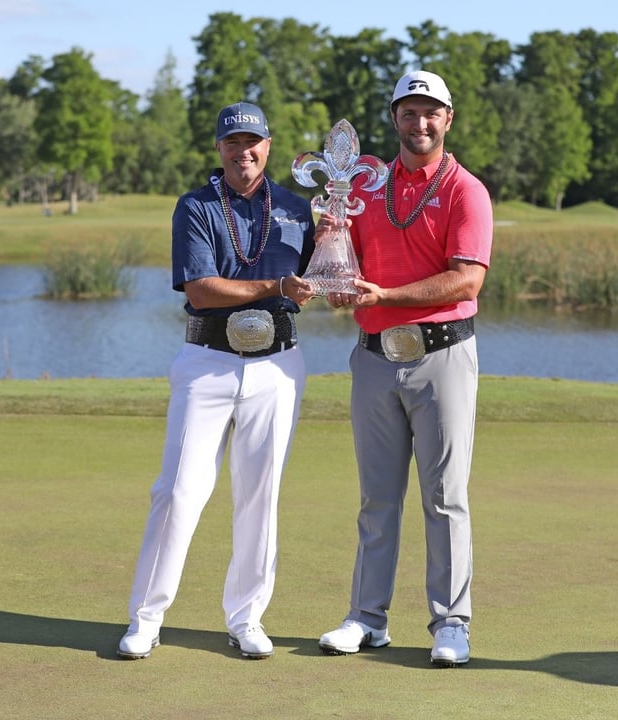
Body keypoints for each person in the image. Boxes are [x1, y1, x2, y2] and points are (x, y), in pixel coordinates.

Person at [117, 101, 317, 661]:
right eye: (233, 142)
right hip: (207, 362)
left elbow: (323, 276)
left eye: (252, 141)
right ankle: (146, 617)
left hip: (278, 365)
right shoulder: (196, 206)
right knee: (178, 491)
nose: (243, 151)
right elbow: (201, 289)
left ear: (269, 146)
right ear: (219, 149)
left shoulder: (302, 211)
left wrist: (335, 247)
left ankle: (247, 618)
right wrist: (276, 284)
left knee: (260, 495)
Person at [317, 70, 493, 667]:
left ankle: (451, 623)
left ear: (448, 120)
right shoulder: (363, 187)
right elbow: (350, 267)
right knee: (377, 499)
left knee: (445, 497)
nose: (420, 123)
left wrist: (381, 294)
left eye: (431, 112)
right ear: (394, 118)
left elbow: (466, 278)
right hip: (372, 359)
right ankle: (367, 618)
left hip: (441, 355)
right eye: (409, 111)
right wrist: (334, 265)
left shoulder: (466, 190)